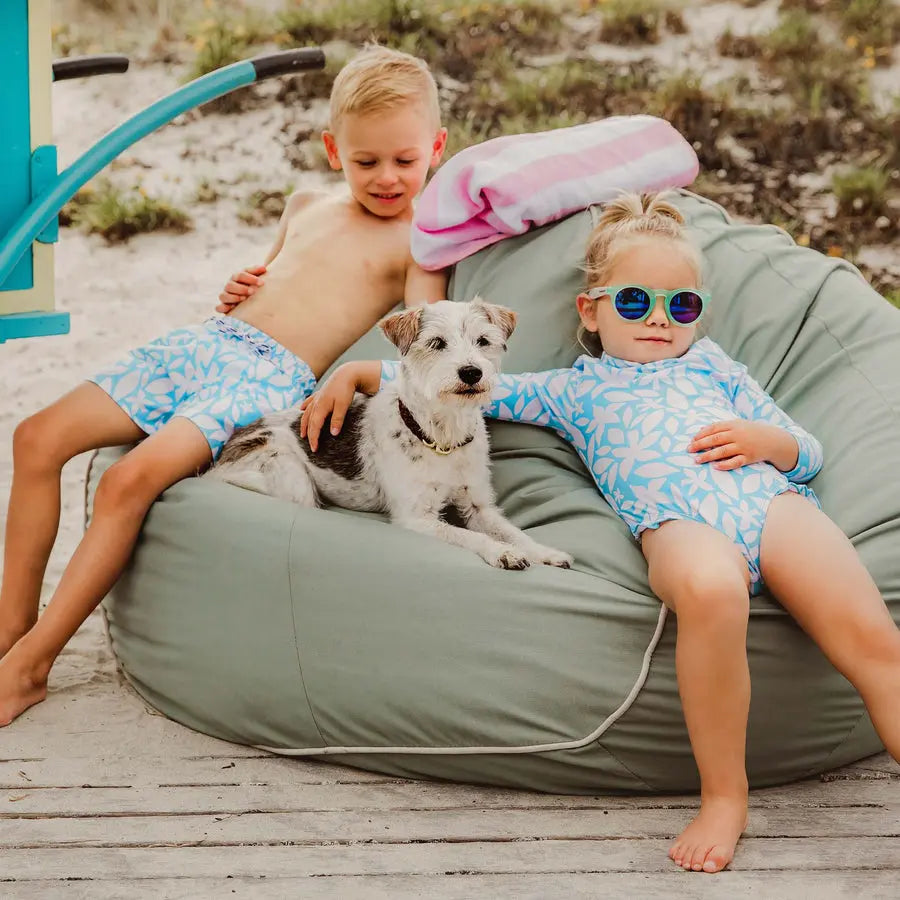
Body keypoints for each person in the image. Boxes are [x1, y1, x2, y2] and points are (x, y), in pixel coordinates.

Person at [301, 192, 900, 875]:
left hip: (768, 501)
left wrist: (772, 442)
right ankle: (725, 795)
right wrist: (357, 371)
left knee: (875, 642)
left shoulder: (716, 368)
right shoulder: (575, 389)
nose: (659, 320)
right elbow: (469, 380)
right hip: (679, 520)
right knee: (711, 593)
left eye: (682, 306)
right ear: (592, 310)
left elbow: (807, 448)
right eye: (636, 302)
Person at [0, 44, 449, 727]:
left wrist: (357, 373)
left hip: (263, 375)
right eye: (366, 161)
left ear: (436, 149)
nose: (386, 178)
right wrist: (242, 282)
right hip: (202, 343)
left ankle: (32, 667)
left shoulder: (418, 244)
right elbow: (271, 279)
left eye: (404, 161)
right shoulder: (305, 203)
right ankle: (10, 631)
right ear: (334, 150)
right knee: (35, 439)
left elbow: (421, 342)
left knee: (127, 482)